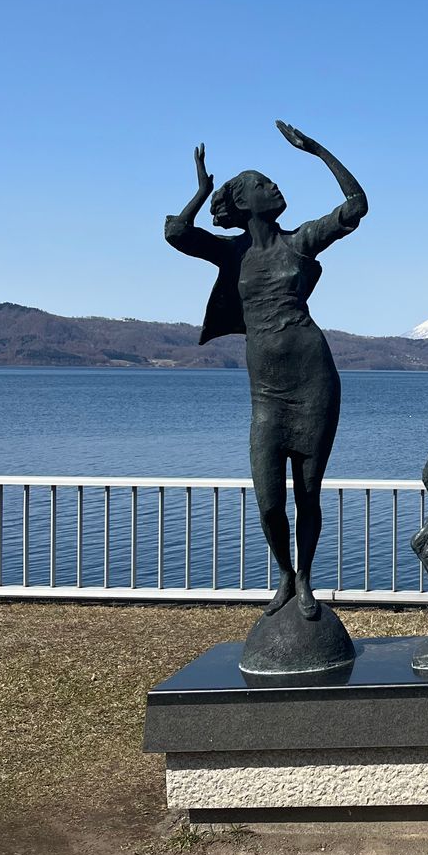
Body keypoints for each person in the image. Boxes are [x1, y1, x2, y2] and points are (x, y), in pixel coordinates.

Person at [164, 121, 367, 619]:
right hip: (267, 394)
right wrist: (202, 191)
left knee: (308, 494)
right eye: (262, 183)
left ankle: (305, 579)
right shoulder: (232, 252)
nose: (273, 186)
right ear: (243, 201)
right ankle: (283, 573)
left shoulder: (301, 242)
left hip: (314, 380)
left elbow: (356, 206)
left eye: (272, 180)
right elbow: (176, 233)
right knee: (270, 502)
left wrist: (316, 149)